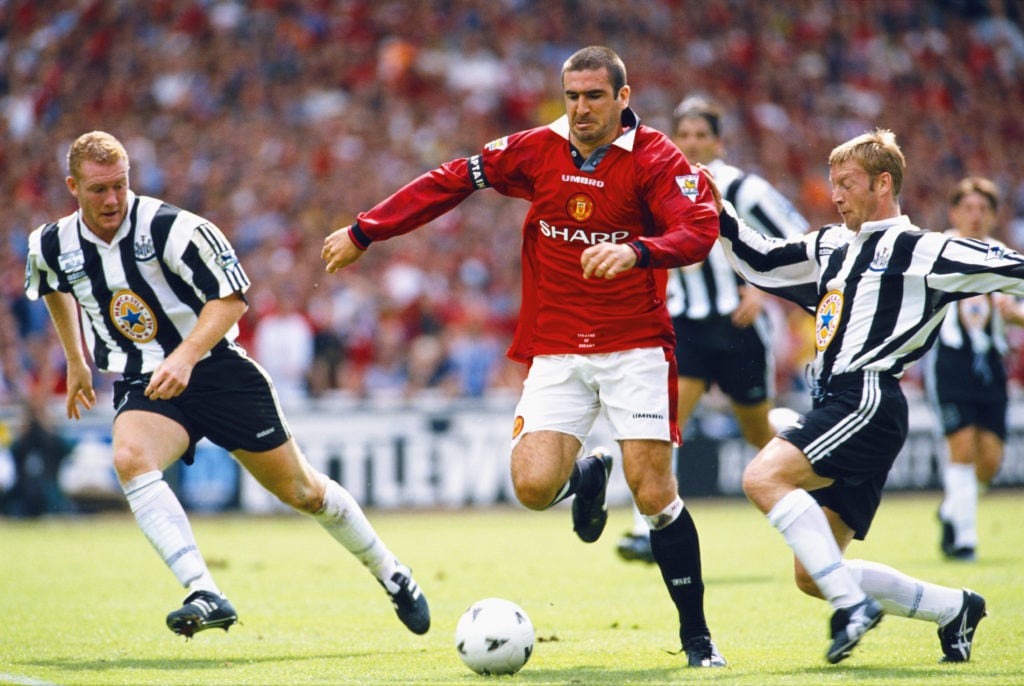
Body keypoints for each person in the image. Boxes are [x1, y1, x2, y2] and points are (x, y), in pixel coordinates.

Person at [323, 46, 727, 667]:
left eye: (594, 96)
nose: (581, 108)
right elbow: (451, 179)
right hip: (558, 349)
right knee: (534, 487)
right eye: (572, 96)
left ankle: (698, 639)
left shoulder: (658, 160)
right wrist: (365, 231)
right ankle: (587, 476)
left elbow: (698, 230)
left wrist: (638, 252)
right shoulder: (536, 148)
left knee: (653, 494)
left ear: (623, 97)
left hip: (635, 347)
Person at [23, 131, 430, 639]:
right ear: (72, 187)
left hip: (217, 370)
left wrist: (186, 356)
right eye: (98, 189)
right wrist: (75, 358)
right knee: (130, 458)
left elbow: (234, 298)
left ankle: (391, 571)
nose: (111, 200)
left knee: (303, 492)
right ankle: (203, 589)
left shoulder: (174, 229)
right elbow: (52, 284)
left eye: (120, 186)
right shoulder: (51, 242)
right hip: (144, 380)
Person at [713, 128, 1008, 664]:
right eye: (834, 185)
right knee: (812, 572)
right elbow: (760, 261)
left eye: (847, 184)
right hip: (838, 403)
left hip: (868, 396)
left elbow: (1008, 268)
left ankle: (852, 607)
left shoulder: (926, 249)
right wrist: (719, 212)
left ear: (883, 183)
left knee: (761, 477)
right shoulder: (830, 244)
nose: (837, 196)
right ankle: (955, 607)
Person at [617, 95, 810, 564]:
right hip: (685, 325)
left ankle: (813, 470)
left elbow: (800, 236)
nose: (692, 143)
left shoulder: (744, 188)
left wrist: (760, 289)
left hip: (738, 327)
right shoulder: (657, 183)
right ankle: (652, 524)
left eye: (702, 135)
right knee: (664, 422)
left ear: (719, 141)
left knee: (758, 431)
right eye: (684, 135)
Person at [924, 176, 1024, 561]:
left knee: (990, 460)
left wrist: (1015, 316)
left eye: (983, 209)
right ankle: (964, 539)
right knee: (961, 446)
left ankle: (952, 509)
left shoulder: (1002, 255)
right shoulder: (936, 249)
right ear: (954, 213)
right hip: (949, 363)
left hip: (992, 366)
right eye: (968, 208)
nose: (975, 216)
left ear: (995, 216)